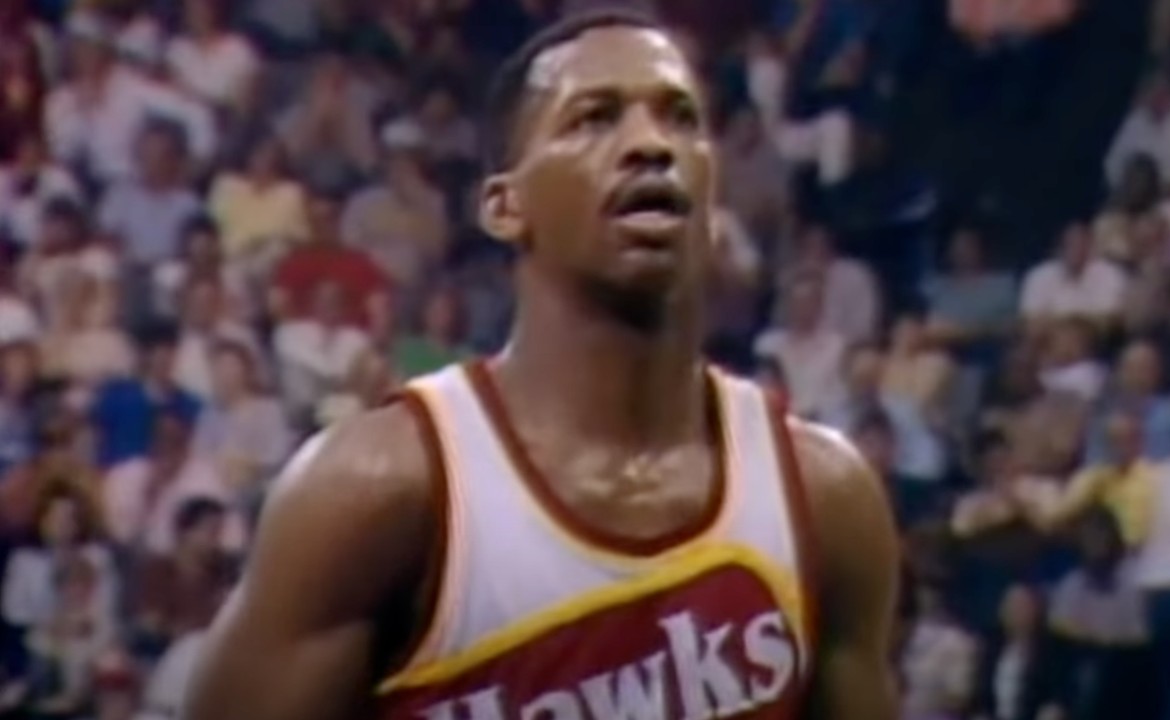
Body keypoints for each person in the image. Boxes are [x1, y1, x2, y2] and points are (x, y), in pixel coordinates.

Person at [185, 9, 899, 720]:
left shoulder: (824, 496)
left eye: (680, 118)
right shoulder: (375, 491)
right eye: (593, 119)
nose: (651, 144)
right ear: (504, 206)